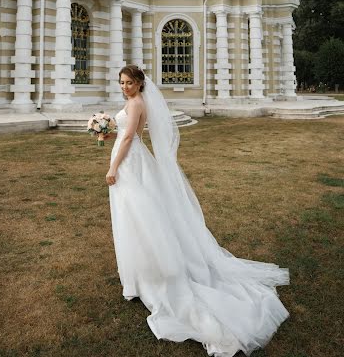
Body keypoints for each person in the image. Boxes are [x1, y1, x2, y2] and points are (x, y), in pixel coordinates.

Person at [106, 65, 289, 357]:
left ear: (140, 84)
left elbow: (130, 138)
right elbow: (128, 133)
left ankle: (153, 273)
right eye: (122, 83)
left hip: (129, 162)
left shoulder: (138, 102)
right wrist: (108, 134)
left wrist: (113, 167)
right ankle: (138, 274)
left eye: (129, 83)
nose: (125, 87)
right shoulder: (133, 102)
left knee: (139, 215)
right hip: (131, 157)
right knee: (133, 216)